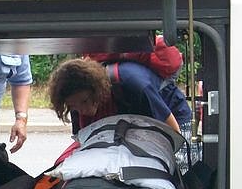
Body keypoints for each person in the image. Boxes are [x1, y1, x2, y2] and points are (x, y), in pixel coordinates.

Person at [47, 57, 191, 134]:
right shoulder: (74, 101)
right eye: (73, 106)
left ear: (96, 89)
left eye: (85, 101)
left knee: (180, 168)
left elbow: (174, 131)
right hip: (130, 123)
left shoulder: (134, 84)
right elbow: (82, 141)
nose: (82, 110)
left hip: (173, 115)